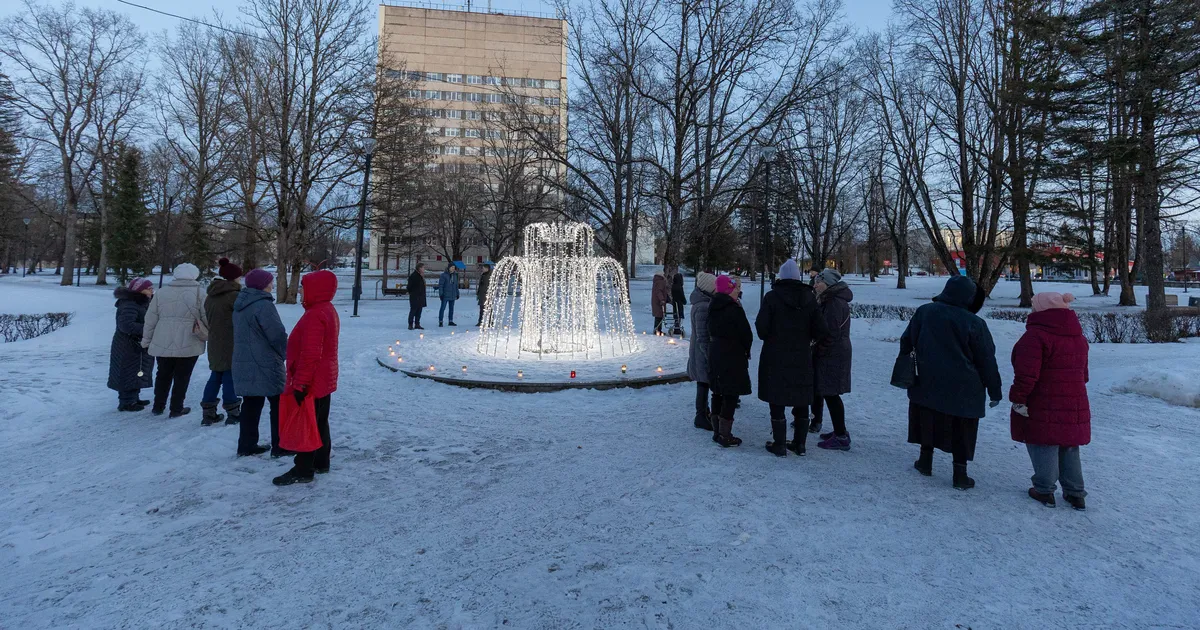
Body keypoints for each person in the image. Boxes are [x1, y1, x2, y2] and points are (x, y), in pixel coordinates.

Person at [901, 275, 1002, 490]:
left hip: (927, 379)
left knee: (927, 418)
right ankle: (960, 474)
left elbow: (907, 340)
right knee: (961, 428)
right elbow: (986, 359)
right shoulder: (975, 323)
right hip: (964, 387)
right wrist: (995, 391)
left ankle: (925, 462)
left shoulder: (925, 312)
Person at [1009, 292, 1090, 510]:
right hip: (1074, 401)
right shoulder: (1078, 337)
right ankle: (1075, 493)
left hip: (1042, 399)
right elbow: (1084, 375)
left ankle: (1044, 490)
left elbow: (1026, 375)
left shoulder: (1035, 337)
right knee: (1069, 445)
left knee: (1043, 442)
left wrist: (1018, 399)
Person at [273, 270, 340, 486]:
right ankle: (321, 461)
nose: (301, 291)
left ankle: (303, 468)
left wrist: (300, 383)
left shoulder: (315, 314)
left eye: (304, 287)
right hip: (323, 377)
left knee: (307, 421)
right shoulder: (326, 309)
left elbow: (311, 353)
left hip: (312, 378)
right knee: (319, 420)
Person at [755, 260, 828, 456]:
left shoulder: (771, 298)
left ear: (781, 277)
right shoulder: (810, 298)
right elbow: (821, 329)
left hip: (775, 355)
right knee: (801, 398)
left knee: (776, 398)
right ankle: (800, 444)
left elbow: (761, 329)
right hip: (802, 356)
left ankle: (779, 444)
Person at [232, 268, 289, 457]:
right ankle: (280, 445)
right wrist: (284, 353)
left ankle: (246, 445)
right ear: (262, 285)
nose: (271, 285)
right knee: (278, 402)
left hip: (244, 361)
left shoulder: (241, 304)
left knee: (251, 403)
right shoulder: (263, 305)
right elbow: (276, 334)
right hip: (265, 361)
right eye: (269, 282)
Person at [141, 263, 207, 418]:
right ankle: (176, 408)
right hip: (189, 339)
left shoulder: (161, 292)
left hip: (162, 337)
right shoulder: (200, 293)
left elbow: (150, 319)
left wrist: (146, 340)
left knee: (163, 374)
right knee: (182, 376)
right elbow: (206, 317)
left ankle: (158, 405)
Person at [707, 274, 753, 447]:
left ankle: (717, 431)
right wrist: (745, 349)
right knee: (731, 393)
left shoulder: (713, 306)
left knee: (718, 391)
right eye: (735, 289)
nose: (738, 292)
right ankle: (725, 435)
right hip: (732, 354)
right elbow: (746, 334)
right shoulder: (734, 309)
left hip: (715, 352)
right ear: (728, 290)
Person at [812, 268, 855, 451]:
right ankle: (840, 431)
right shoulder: (831, 300)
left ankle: (841, 435)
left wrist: (819, 349)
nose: (815, 285)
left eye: (819, 282)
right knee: (830, 392)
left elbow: (830, 332)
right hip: (835, 351)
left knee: (831, 393)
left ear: (828, 284)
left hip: (833, 353)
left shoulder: (833, 303)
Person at [200, 258, 242, 426]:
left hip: (215, 341)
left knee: (216, 375)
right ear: (235, 278)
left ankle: (208, 413)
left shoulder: (210, 296)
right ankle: (233, 412)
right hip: (232, 341)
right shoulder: (235, 296)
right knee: (230, 376)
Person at [108, 278, 155, 412]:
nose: (152, 290)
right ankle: (126, 402)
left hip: (137, 343)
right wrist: (148, 328)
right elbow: (126, 325)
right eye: (149, 288)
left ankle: (134, 397)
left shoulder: (141, 302)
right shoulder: (130, 303)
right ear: (140, 290)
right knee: (127, 371)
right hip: (128, 344)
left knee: (137, 371)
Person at [686, 272, 718, 430]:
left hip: (698, 352)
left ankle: (704, 412)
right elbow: (703, 336)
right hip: (701, 353)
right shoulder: (704, 307)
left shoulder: (701, 303)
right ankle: (701, 415)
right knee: (703, 384)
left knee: (703, 383)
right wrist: (709, 354)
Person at [407, 263, 426, 330]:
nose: (424, 269)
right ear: (419, 268)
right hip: (415, 296)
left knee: (419, 311)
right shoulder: (414, 276)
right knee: (413, 310)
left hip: (420, 297)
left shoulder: (421, 276)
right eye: (423, 267)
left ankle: (417, 324)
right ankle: (410, 324)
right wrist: (413, 293)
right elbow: (409, 287)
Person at [651, 269, 671, 334]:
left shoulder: (656, 281)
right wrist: (662, 299)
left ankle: (657, 329)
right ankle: (657, 330)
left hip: (655, 301)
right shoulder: (661, 282)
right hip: (659, 302)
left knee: (658, 315)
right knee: (659, 315)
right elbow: (659, 291)